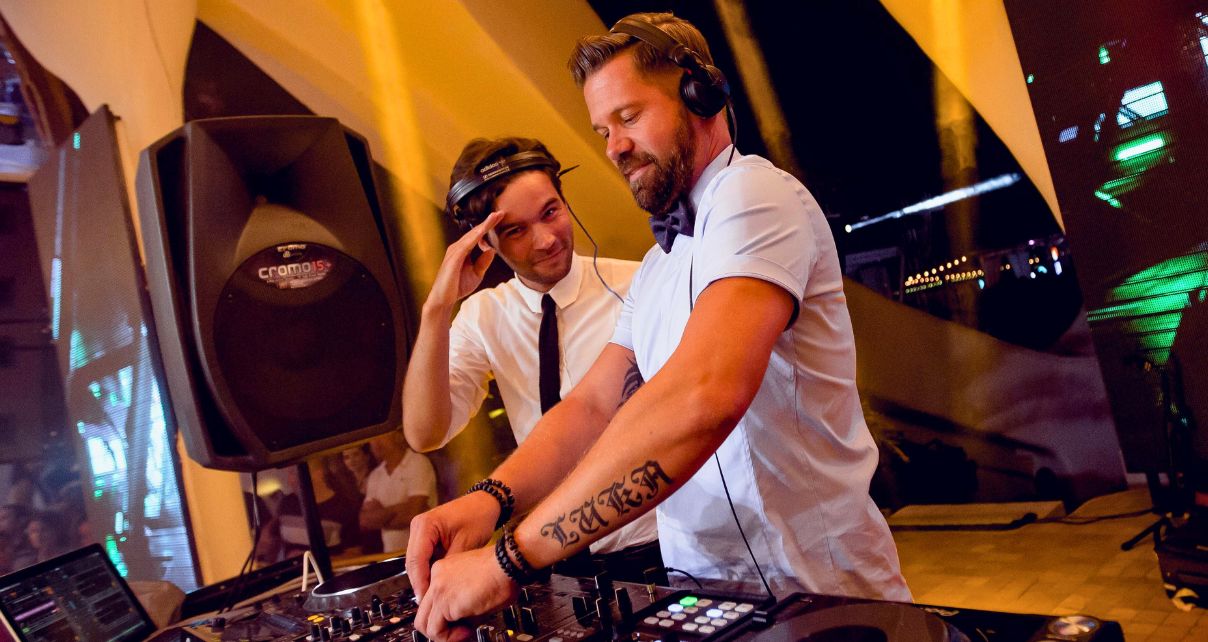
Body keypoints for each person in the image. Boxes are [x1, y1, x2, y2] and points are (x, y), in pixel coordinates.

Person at [407, 13, 910, 639]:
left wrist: (510, 557)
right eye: (602, 129)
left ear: (701, 94)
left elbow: (704, 393)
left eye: (628, 117)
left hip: (820, 596)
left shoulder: (756, 196)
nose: (613, 145)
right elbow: (592, 405)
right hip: (707, 597)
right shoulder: (658, 265)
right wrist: (489, 500)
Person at [401, 136, 661, 581]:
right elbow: (426, 433)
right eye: (515, 230)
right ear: (484, 242)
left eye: (551, 212)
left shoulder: (641, 284)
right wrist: (437, 309)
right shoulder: (483, 315)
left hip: (654, 550)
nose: (544, 240)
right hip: (552, 563)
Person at [360, 431, 437, 552]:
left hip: (425, 552)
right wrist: (399, 509)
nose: (375, 443)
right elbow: (365, 521)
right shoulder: (375, 475)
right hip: (390, 557)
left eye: (381, 434)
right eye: (372, 438)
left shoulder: (418, 462)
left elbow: (412, 514)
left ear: (398, 436)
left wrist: (381, 516)